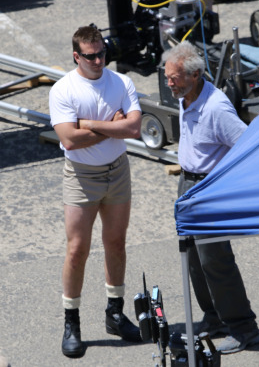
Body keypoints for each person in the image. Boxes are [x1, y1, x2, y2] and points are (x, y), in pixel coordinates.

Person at [162, 41, 259, 354]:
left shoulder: (217, 108)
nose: (169, 83)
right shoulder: (185, 96)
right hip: (188, 186)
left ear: (194, 75)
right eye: (167, 76)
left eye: (174, 77)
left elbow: (247, 145)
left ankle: (244, 328)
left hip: (210, 189)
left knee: (215, 260)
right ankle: (214, 317)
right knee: (192, 257)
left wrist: (227, 185)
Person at [49, 25, 142, 357]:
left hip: (117, 172)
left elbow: (133, 127)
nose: (100, 60)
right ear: (77, 56)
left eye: (103, 53)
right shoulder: (63, 90)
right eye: (91, 56)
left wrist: (89, 124)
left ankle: (115, 313)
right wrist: (110, 128)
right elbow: (69, 140)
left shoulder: (122, 82)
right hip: (80, 175)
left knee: (116, 243)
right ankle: (71, 321)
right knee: (77, 250)